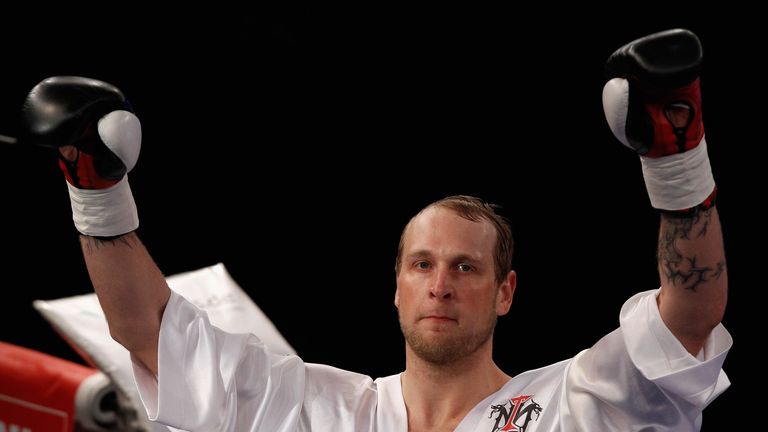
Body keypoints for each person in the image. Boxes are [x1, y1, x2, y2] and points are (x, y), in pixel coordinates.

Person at [20, 28, 731, 431]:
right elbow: (145, 329)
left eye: (465, 267)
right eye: (421, 264)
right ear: (395, 288)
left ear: (506, 291)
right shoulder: (310, 410)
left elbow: (689, 320)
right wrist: (96, 186)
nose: (441, 283)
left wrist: (677, 157)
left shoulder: (574, 406)